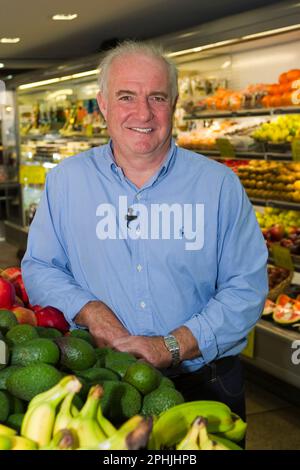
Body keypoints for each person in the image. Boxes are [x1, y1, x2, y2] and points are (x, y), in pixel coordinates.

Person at [21, 41, 268, 424]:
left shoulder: (218, 185)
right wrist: (93, 312)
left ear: (174, 103)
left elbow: (246, 286)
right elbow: (40, 266)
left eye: (157, 97)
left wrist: (172, 344)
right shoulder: (67, 182)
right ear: (103, 104)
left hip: (204, 382)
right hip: (101, 382)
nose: (143, 112)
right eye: (126, 96)